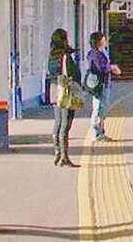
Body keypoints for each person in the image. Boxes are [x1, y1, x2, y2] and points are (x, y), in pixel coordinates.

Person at [48, 28, 81, 167]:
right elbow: (72, 74)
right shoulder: (66, 56)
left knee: (58, 122)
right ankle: (64, 157)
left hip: (55, 91)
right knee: (65, 125)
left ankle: (57, 153)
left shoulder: (52, 56)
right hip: (66, 92)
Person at [86, 31, 121, 142]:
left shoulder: (96, 53)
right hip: (101, 84)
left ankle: (100, 131)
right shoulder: (96, 54)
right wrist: (112, 67)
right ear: (99, 41)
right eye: (103, 39)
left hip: (102, 84)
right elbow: (102, 68)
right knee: (99, 108)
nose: (105, 41)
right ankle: (97, 133)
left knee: (101, 107)